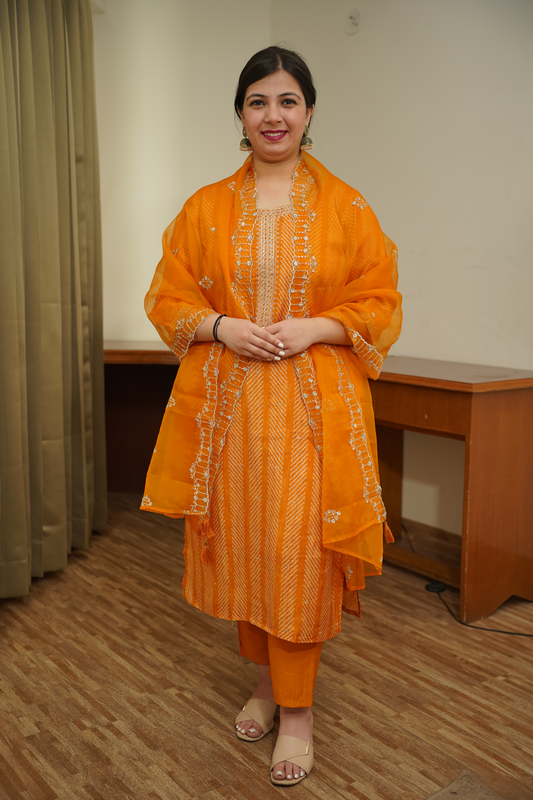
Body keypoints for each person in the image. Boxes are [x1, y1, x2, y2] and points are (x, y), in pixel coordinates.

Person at [141, 46, 402, 787]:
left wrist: (315, 327)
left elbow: (380, 300)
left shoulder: (348, 207)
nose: (273, 115)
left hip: (313, 416)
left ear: (309, 112)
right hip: (230, 415)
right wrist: (221, 326)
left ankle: (298, 712)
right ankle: (264, 683)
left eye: (287, 100)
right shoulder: (205, 208)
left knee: (299, 562)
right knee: (247, 553)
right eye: (258, 101)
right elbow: (167, 297)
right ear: (241, 113)